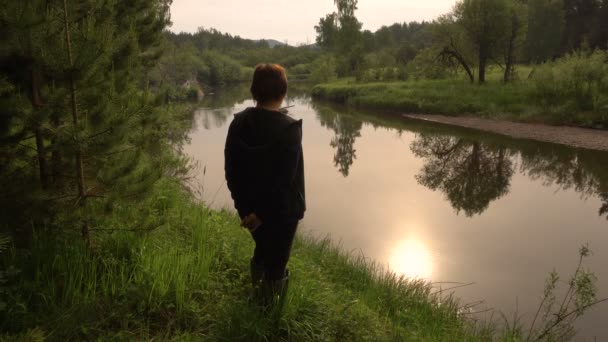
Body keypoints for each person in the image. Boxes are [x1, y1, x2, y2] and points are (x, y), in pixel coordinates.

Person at [224, 64, 305, 307]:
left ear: (254, 91)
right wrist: (262, 214)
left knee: (262, 249)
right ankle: (269, 315)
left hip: (248, 210)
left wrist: (247, 210)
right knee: (277, 264)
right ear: (283, 91)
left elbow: (231, 172)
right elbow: (284, 182)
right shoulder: (290, 129)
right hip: (282, 212)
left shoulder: (238, 123)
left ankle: (257, 298)